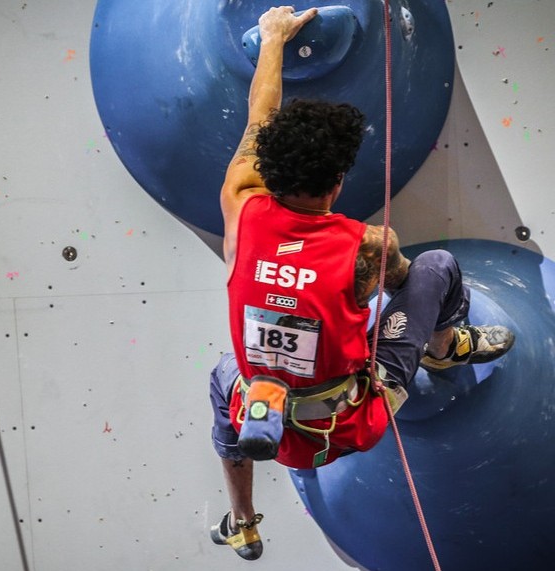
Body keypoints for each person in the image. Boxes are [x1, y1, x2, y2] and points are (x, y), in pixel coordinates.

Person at [209, 6, 515, 561]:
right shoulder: (368, 246)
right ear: (340, 179)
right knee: (438, 268)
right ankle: (446, 350)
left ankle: (242, 520)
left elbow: (260, 115)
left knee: (221, 378)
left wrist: (274, 39)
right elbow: (404, 286)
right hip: (348, 423)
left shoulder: (241, 207)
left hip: (268, 418)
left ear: (269, 170)